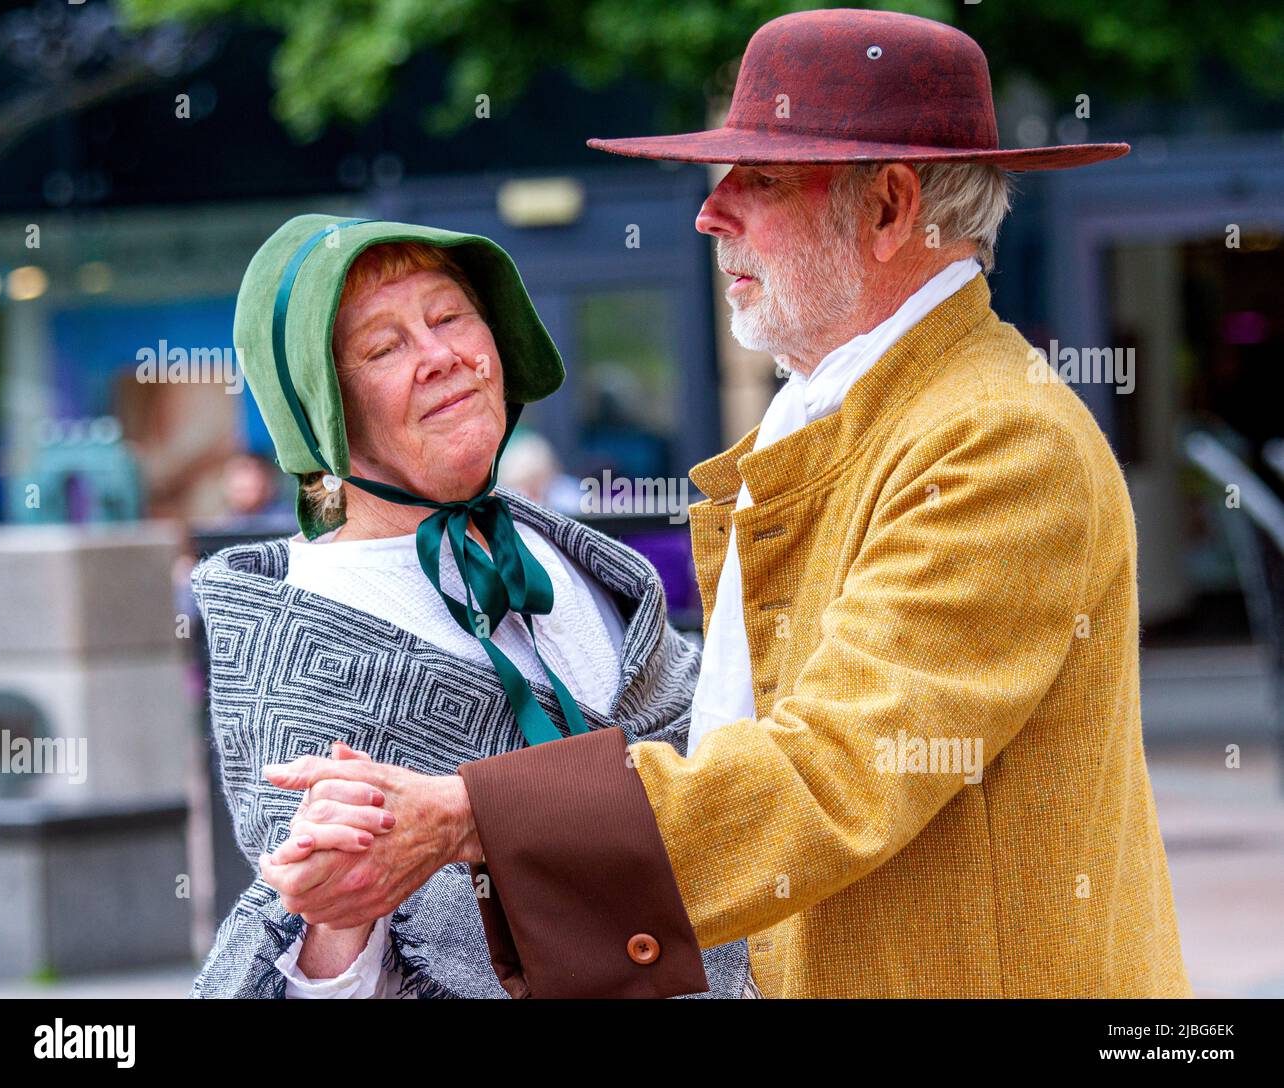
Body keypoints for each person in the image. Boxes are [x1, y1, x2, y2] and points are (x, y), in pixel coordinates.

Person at [259, 10, 1191, 998]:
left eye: (760, 178)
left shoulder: (999, 437)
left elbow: (833, 771)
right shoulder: (852, 407)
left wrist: (469, 815)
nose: (711, 213)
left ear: (887, 208)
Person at [189, 216, 749, 997]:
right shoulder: (295, 632)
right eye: (384, 348)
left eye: (450, 316)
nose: (442, 357)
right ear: (322, 414)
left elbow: (729, 768)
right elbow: (318, 957)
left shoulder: (577, 555)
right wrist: (338, 916)